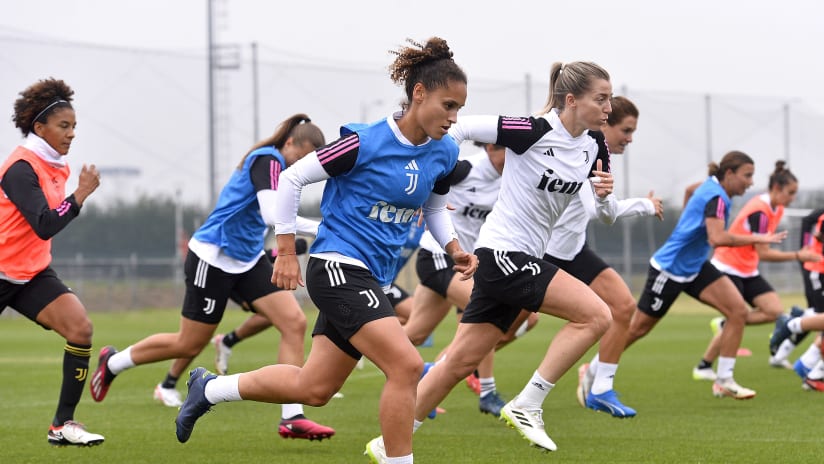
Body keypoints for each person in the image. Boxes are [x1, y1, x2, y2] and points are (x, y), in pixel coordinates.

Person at [174, 37, 478, 464]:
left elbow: (431, 203)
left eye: (459, 109)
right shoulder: (364, 142)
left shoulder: (443, 152)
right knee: (407, 366)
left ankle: (209, 388)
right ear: (419, 93)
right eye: (448, 105)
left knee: (314, 389)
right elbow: (293, 177)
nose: (454, 118)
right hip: (337, 266)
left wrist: (452, 247)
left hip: (371, 276)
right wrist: (283, 249)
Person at [367, 60, 619, 457]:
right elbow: (461, 128)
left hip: (515, 259)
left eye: (610, 99)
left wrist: (604, 195)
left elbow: (602, 212)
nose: (609, 108)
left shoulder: (595, 144)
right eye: (601, 99)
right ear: (571, 100)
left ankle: (387, 445)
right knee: (597, 315)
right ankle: (528, 404)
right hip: (502, 253)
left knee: (456, 363)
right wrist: (431, 186)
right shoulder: (530, 130)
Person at [88, 114, 336, 440]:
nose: (303, 167)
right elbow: (270, 214)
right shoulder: (269, 160)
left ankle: (291, 417)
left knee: (294, 321)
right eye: (302, 157)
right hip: (213, 256)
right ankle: (113, 362)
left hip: (246, 260)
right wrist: (324, 226)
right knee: (189, 342)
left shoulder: (280, 168)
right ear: (289, 144)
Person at [624, 151, 786, 401]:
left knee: (738, 311)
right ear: (729, 174)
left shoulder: (710, 185)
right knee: (637, 329)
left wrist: (689, 220)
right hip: (669, 268)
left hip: (696, 266)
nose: (751, 182)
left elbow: (690, 190)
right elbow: (718, 238)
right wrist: (758, 238)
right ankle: (593, 369)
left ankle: (724, 380)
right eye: (747, 176)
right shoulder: (717, 198)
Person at [543, 96, 664, 418]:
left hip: (573, 251)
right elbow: (595, 210)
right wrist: (644, 205)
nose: (630, 138)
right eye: (626, 129)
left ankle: (600, 389)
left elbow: (600, 209)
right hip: (544, 254)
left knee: (623, 307)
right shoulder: (585, 150)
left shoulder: (601, 155)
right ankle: (439, 368)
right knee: (500, 331)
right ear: (604, 124)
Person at [0, 78, 104, 446]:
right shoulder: (20, 168)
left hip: (30, 273)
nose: (72, 133)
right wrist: (81, 194)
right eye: (64, 126)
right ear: (38, 128)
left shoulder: (55, 162)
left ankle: (63, 424)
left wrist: (76, 195)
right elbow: (45, 223)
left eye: (74, 126)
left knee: (80, 329)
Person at [404, 141, 539, 418]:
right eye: (506, 152)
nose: (510, 159)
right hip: (438, 256)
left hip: (467, 265)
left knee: (414, 334)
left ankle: (358, 347)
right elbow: (426, 171)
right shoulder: (466, 169)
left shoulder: (509, 181)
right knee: (488, 313)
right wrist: (421, 200)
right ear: (490, 148)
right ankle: (487, 392)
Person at [213, 222, 424, 376]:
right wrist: (289, 248)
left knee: (313, 388)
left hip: (376, 281)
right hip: (347, 274)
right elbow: (289, 188)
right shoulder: (266, 171)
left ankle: (213, 384)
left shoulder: (413, 201)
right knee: (192, 341)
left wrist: (432, 200)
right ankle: (291, 413)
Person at [690, 161, 820, 380]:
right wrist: (799, 255)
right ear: (777, 189)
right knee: (738, 316)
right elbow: (764, 253)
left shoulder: (776, 208)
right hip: (729, 267)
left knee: (773, 310)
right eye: (791, 192)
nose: (793, 198)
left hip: (747, 269)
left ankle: (724, 326)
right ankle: (704, 366)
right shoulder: (760, 211)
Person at [769, 207, 824, 390]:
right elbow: (818, 233)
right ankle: (791, 324)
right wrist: (803, 251)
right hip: (818, 271)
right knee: (820, 318)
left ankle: (810, 365)